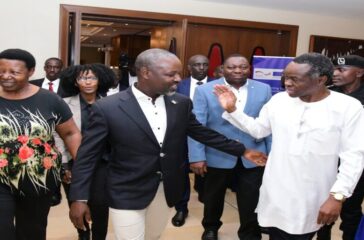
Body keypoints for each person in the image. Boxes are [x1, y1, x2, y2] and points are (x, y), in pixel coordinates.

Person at [68, 48, 267, 240]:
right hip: (126, 189)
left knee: (153, 236)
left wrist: (243, 151)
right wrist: (79, 198)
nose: (178, 79)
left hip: (166, 189)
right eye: (171, 74)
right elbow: (88, 156)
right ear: (146, 73)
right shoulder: (108, 108)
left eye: (178, 73)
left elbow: (203, 133)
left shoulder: (180, 103)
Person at [214, 52, 364, 240]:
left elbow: (354, 156)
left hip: (313, 194)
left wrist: (337, 196)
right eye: (286, 77)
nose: (287, 83)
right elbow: (258, 130)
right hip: (276, 190)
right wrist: (232, 110)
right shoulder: (279, 100)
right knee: (276, 234)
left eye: (295, 79)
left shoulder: (348, 106)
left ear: (321, 80)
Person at [0, 48, 81, 240]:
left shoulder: (50, 99)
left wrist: (80, 166)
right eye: (1, 71)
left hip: (38, 178)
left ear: (31, 71)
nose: (6, 76)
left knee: (31, 231)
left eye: (14, 72)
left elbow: (70, 133)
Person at [189, 54, 271, 240]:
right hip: (217, 154)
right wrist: (196, 156)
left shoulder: (263, 89)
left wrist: (272, 154)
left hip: (255, 155)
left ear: (249, 68)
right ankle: (211, 227)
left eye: (242, 67)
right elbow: (197, 126)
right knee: (213, 197)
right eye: (232, 67)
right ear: (222, 69)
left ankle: (249, 232)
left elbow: (269, 126)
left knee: (251, 198)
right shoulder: (206, 90)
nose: (237, 71)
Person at [56, 63, 116, 240]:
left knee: (100, 205)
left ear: (100, 80)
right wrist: (64, 163)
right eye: (82, 78)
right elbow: (59, 135)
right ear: (75, 82)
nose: (87, 82)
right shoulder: (65, 103)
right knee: (76, 202)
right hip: (73, 162)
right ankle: (83, 234)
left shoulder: (111, 103)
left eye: (92, 78)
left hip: (103, 164)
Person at [317, 55, 364, 240]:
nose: (335, 73)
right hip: (327, 158)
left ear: (359, 72)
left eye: (342, 70)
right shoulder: (328, 94)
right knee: (324, 203)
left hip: (355, 161)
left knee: (351, 208)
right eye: (335, 69)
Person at [172, 54, 215, 227]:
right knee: (181, 172)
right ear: (189, 68)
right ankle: (182, 208)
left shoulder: (217, 85)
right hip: (181, 136)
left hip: (207, 135)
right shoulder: (177, 85)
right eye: (197, 65)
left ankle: (208, 208)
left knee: (209, 174)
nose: (202, 68)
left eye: (205, 64)